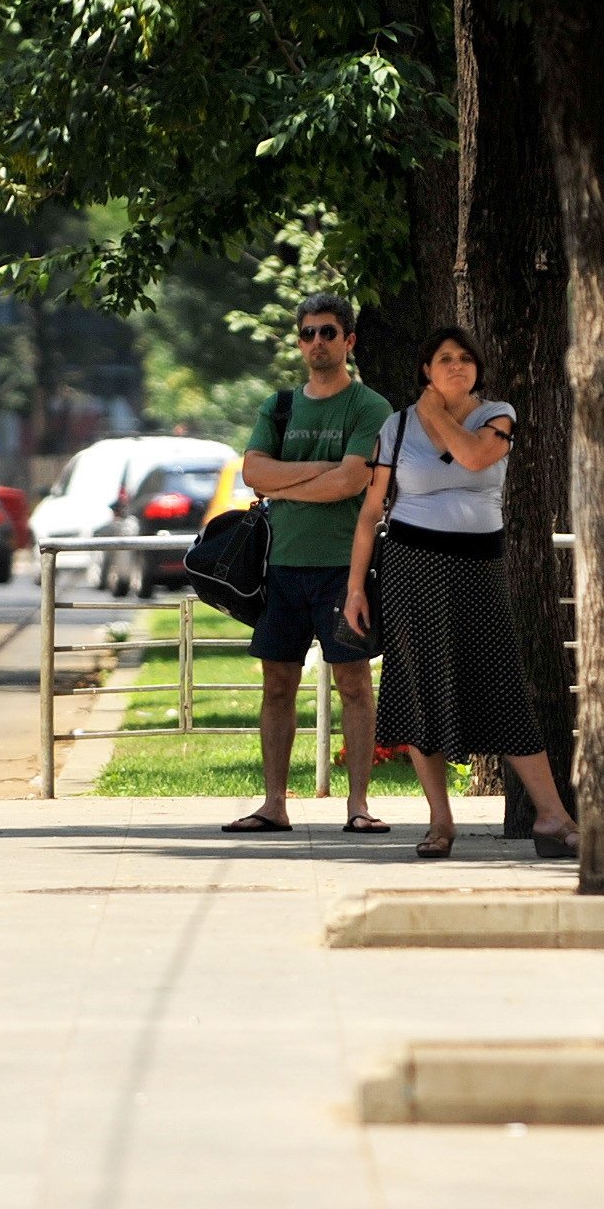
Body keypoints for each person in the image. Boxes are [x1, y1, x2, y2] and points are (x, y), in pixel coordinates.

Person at [340, 325, 579, 859]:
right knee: (422, 689)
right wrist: (356, 587)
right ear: (426, 369)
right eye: (443, 359)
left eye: (465, 358)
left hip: (479, 568)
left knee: (504, 688)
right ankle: (440, 822)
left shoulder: (498, 414)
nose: (455, 366)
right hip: (411, 567)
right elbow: (371, 513)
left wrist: (434, 413)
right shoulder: (397, 426)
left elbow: (472, 458)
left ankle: (551, 815)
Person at [223, 293, 391, 835]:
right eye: (308, 333)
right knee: (277, 684)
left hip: (345, 571)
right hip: (283, 570)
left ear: (349, 341)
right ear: (299, 342)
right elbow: (252, 474)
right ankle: (274, 804)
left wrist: (288, 477)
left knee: (354, 684)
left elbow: (353, 480)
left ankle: (358, 805)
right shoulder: (277, 406)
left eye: (328, 332)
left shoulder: (369, 408)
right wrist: (321, 472)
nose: (317, 341)